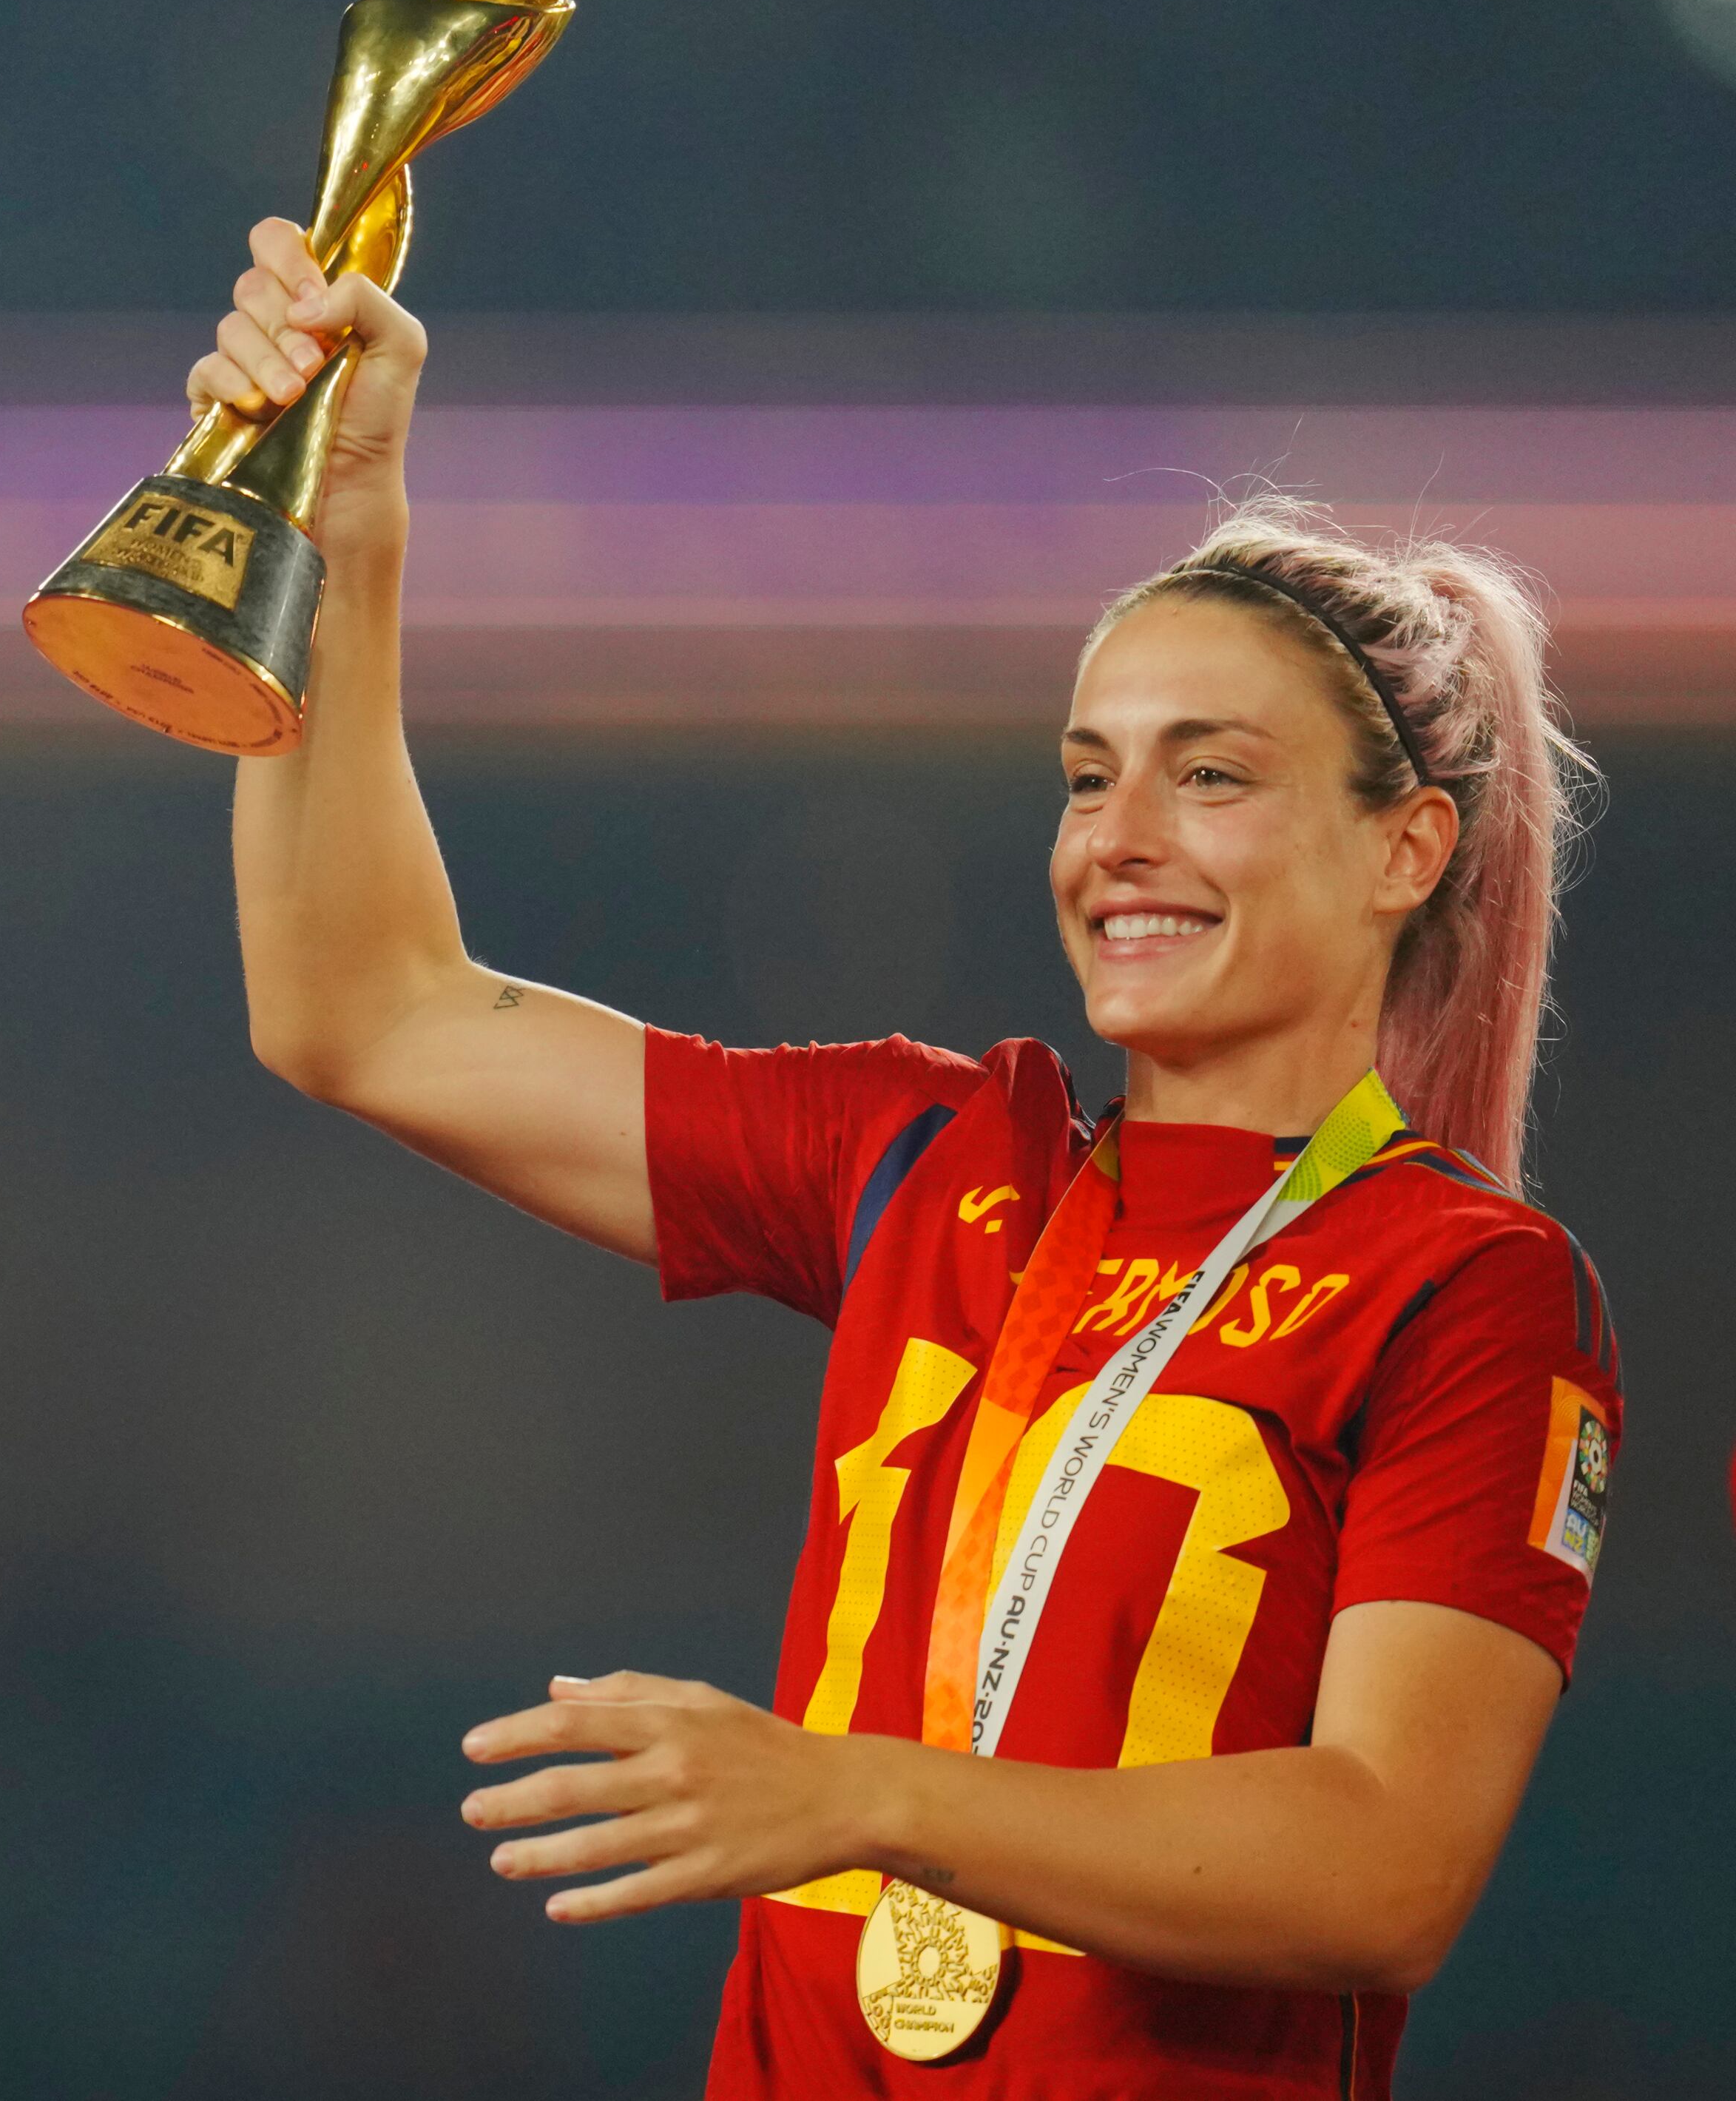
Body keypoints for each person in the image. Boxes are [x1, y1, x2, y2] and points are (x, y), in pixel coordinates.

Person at [197, 217, 1622, 2097]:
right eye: (1082, 770)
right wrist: (340, 518)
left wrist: (850, 1790)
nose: (1117, 834)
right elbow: (358, 1007)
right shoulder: (930, 1159)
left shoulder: (1467, 1287)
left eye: (1210, 775)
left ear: (1405, 850)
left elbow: (1381, 1866)